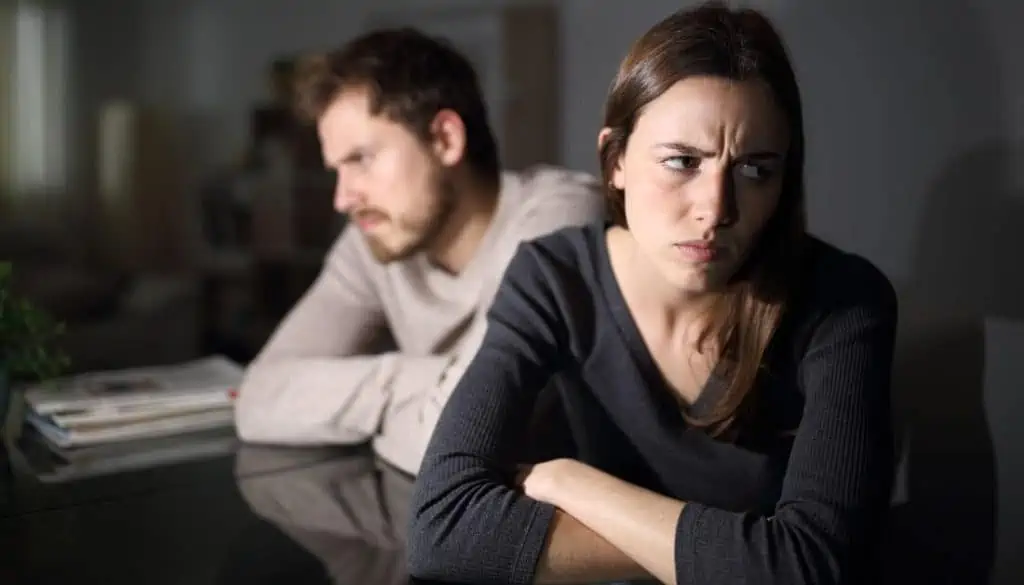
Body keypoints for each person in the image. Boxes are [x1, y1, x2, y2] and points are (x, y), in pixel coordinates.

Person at [407, 3, 898, 585]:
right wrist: (746, 550)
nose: (715, 210)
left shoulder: (843, 303)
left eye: (754, 170)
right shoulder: (555, 278)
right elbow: (441, 532)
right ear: (615, 160)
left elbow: (812, 568)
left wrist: (572, 483)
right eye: (681, 162)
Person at [233, 28, 606, 476]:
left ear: (445, 139)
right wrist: (415, 382)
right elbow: (258, 400)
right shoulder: (373, 240)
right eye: (336, 170)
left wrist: (363, 409)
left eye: (362, 159)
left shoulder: (558, 218)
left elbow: (460, 440)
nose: (343, 198)